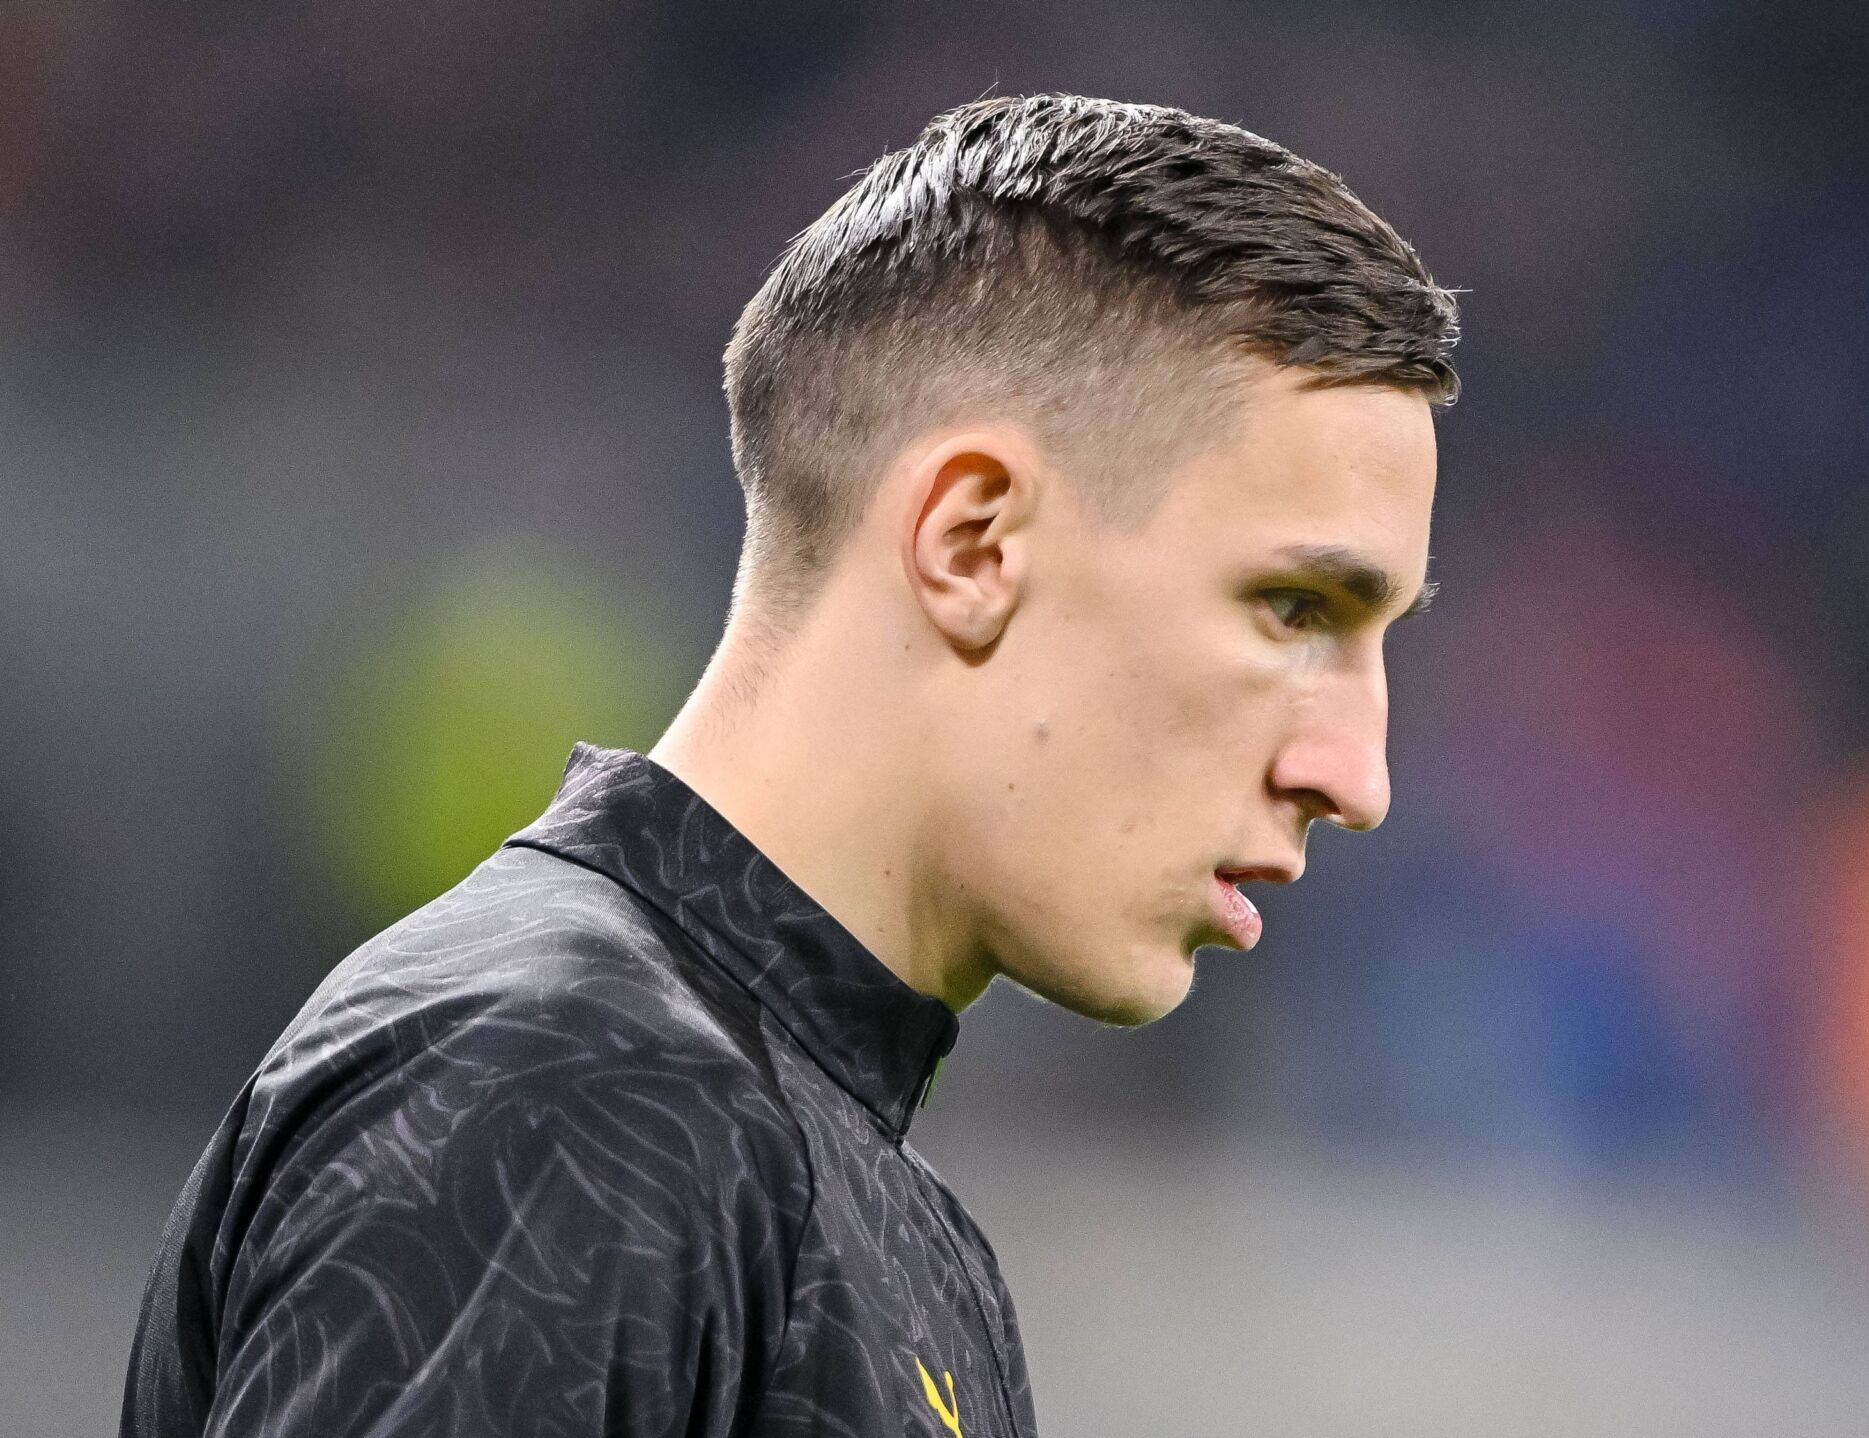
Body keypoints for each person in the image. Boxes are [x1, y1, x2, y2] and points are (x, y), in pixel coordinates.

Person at [119, 93, 1459, 1438]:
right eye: (1294, 609)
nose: (1359, 775)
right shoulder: (566, 1093)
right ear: (974, 543)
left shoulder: (829, 1183)